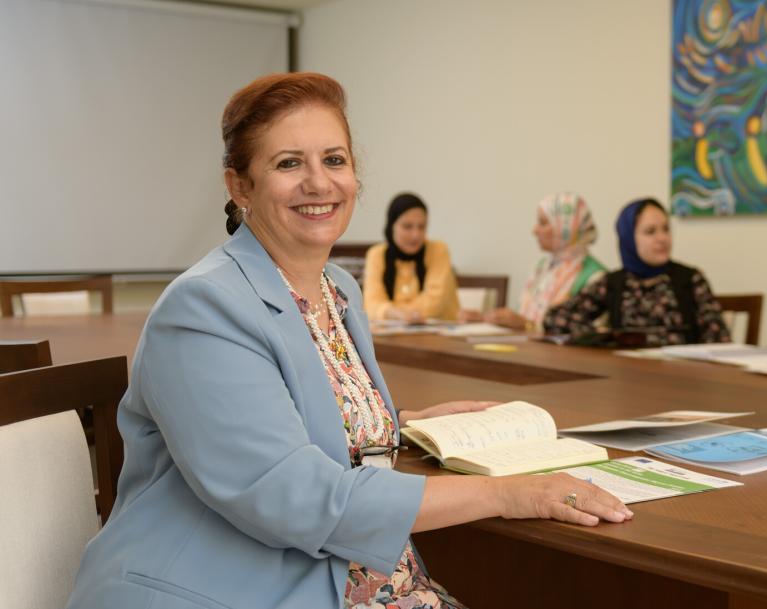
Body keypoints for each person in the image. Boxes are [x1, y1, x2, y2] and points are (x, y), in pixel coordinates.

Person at [65, 72, 631, 609]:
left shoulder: (337, 288)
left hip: (352, 574)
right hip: (231, 588)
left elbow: (297, 418)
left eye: (334, 159)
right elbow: (291, 495)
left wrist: (402, 425)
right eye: (289, 163)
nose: (319, 182)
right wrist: (511, 494)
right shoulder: (203, 307)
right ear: (240, 185)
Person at [543, 197, 730, 346]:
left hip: (684, 380)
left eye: (666, 229)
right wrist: (602, 337)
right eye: (650, 231)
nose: (662, 238)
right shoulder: (614, 283)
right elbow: (556, 318)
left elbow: (719, 338)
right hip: (628, 378)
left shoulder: (689, 279)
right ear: (628, 238)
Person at [482, 192, 606, 331]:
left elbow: (590, 332)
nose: (534, 230)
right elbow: (523, 315)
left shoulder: (596, 277)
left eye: (542, 223)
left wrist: (528, 326)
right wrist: (485, 318)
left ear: (566, 227)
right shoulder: (542, 266)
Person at [363, 192, 460, 322]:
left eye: (422, 227)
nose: (416, 235)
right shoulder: (377, 254)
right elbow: (371, 305)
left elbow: (435, 303)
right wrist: (398, 314)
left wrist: (392, 312)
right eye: (407, 226)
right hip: (392, 338)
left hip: (440, 337)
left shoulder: (438, 250)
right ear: (392, 226)